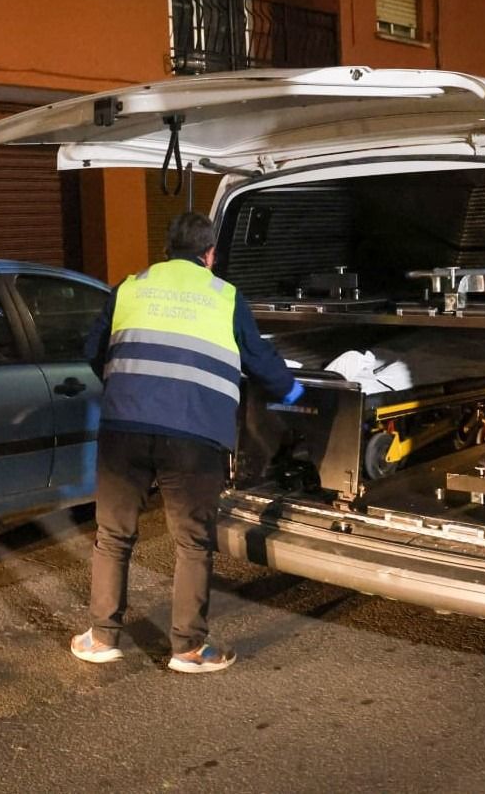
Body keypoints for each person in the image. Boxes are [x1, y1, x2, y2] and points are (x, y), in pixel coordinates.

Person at [70, 212, 304, 674]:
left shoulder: (129, 287)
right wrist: (292, 392)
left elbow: (93, 350)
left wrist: (125, 387)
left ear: (166, 250)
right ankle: (189, 648)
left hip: (124, 429)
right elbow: (259, 359)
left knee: (113, 536)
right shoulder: (225, 296)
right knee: (193, 542)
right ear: (210, 254)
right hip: (194, 437)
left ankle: (101, 638)